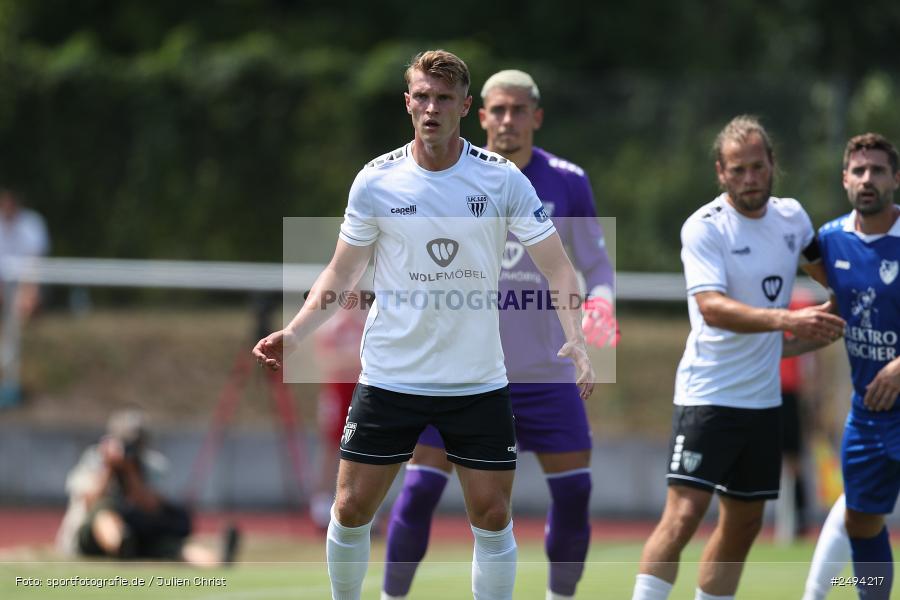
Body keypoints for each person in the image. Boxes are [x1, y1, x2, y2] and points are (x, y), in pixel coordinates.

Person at [253, 50, 595, 600]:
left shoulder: (501, 179)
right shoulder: (376, 180)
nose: (431, 108)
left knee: (491, 515)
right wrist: (295, 333)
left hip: (477, 382)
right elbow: (341, 272)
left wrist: (576, 339)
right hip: (391, 377)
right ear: (407, 102)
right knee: (350, 507)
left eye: (443, 98)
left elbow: (557, 265)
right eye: (422, 97)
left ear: (464, 106)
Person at [381, 69, 617, 600]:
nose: (507, 120)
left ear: (535, 116)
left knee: (576, 493)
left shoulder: (568, 181)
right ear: (480, 114)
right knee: (418, 492)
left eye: (518, 110)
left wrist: (600, 305)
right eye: (498, 110)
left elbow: (596, 265)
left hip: (547, 372)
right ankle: (390, 596)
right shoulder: (451, 174)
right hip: (462, 370)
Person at [631, 115, 846, 600]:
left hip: (764, 403)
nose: (749, 178)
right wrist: (790, 320)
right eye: (738, 169)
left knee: (745, 522)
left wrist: (845, 308)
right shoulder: (705, 228)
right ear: (720, 173)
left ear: (773, 165)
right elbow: (712, 308)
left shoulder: (793, 219)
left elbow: (832, 276)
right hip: (707, 396)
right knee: (684, 515)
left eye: (757, 166)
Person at [812, 132, 900, 600]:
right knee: (862, 523)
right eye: (859, 171)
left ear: (896, 179)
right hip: (866, 417)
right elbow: (834, 307)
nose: (868, 179)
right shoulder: (829, 241)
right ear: (845, 179)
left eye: (878, 170)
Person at [56, 409, 239, 565]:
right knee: (104, 509)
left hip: (140, 533)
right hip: (91, 539)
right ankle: (120, 545)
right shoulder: (94, 460)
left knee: (176, 546)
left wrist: (130, 473)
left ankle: (217, 561)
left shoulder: (153, 464)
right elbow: (89, 501)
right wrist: (109, 469)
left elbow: (152, 506)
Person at [310, 303, 367, 530]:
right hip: (337, 391)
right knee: (332, 444)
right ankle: (321, 504)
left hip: (360, 390)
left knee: (363, 446)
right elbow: (325, 359)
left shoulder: (366, 324)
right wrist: (351, 359)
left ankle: (362, 501)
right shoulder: (333, 327)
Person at [776, 287, 820, 540]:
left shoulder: (801, 298)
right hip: (765, 387)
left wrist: (813, 396)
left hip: (788, 391)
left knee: (793, 459)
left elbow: (811, 355)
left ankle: (798, 519)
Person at [0, 188, 49, 406]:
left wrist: (30, 291)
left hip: (26, 282)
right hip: (4, 283)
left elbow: (35, 263)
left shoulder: (32, 223)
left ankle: (20, 331)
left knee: (24, 300)